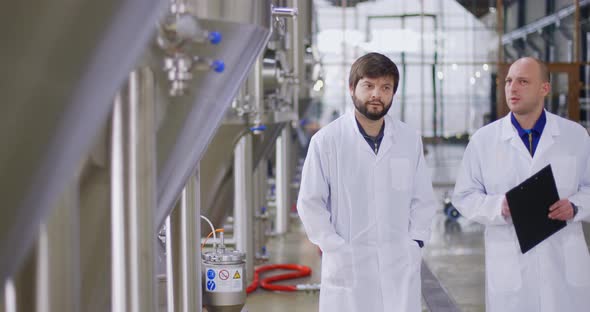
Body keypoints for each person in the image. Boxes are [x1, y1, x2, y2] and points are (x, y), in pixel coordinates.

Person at [297, 52, 436, 312]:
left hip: (398, 263)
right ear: (352, 88)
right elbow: (310, 204)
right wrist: (335, 248)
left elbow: (423, 199)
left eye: (386, 88)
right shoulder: (327, 141)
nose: (377, 94)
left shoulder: (408, 139)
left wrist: (415, 242)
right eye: (368, 85)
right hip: (348, 265)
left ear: (393, 93)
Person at [452, 57, 590, 312]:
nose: (512, 88)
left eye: (523, 81)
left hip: (564, 265)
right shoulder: (484, 140)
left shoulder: (575, 136)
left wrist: (575, 206)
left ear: (544, 88)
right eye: (508, 81)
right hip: (510, 269)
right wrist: (498, 206)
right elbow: (464, 196)